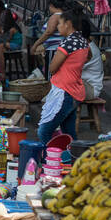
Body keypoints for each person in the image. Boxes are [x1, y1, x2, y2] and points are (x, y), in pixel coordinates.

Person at [36, 11, 90, 147]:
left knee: (44, 131)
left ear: (68, 24)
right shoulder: (82, 41)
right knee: (69, 134)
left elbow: (52, 68)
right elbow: (89, 56)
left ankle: (49, 161)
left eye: (60, 23)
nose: (58, 26)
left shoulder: (69, 43)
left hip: (65, 91)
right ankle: (73, 161)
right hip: (74, 90)